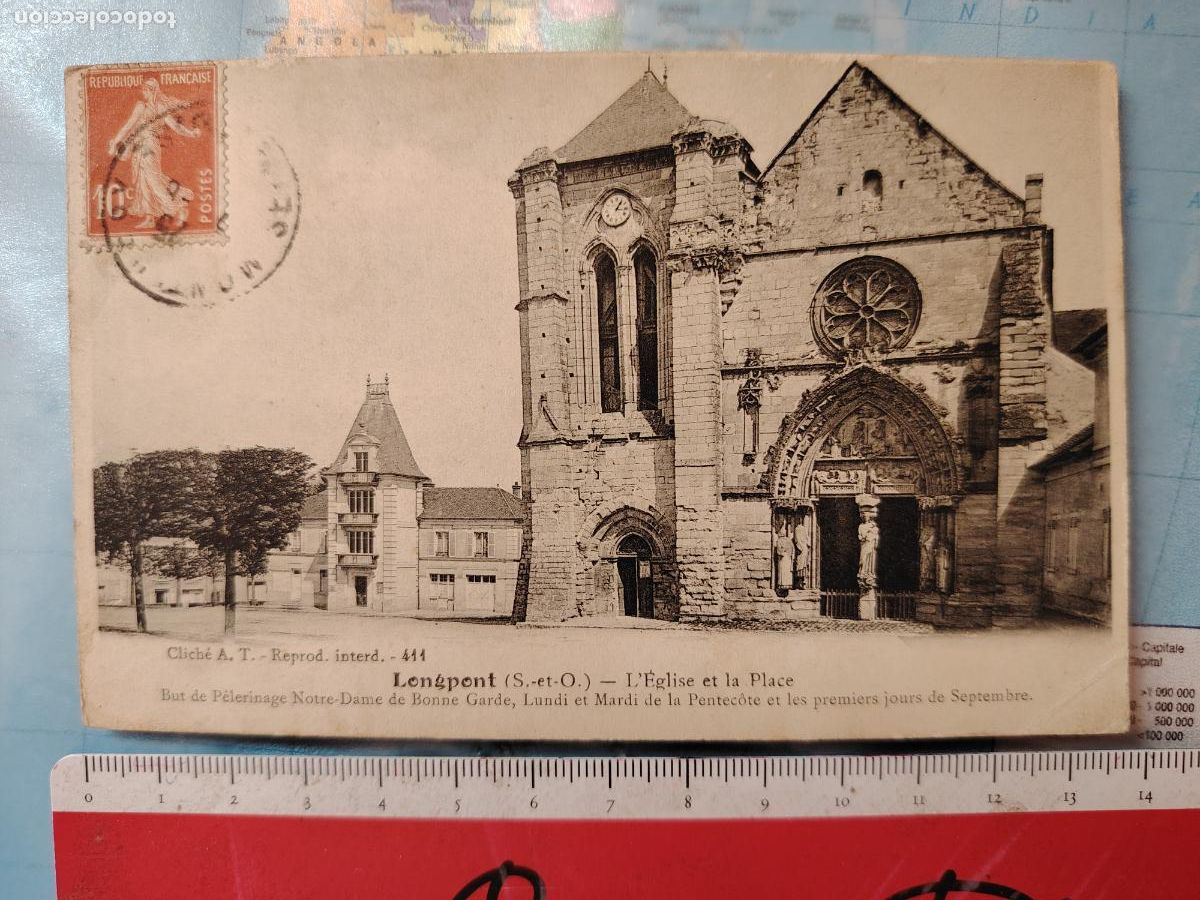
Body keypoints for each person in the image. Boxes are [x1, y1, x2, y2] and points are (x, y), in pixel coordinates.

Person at [107, 78, 201, 229]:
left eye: (145, 89)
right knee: (143, 180)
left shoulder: (156, 107)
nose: (143, 92)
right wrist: (115, 141)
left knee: (152, 179)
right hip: (140, 146)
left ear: (152, 91)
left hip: (149, 146)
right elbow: (128, 126)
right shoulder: (146, 106)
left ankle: (174, 207)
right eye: (143, 89)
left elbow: (175, 127)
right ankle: (150, 218)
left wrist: (191, 133)